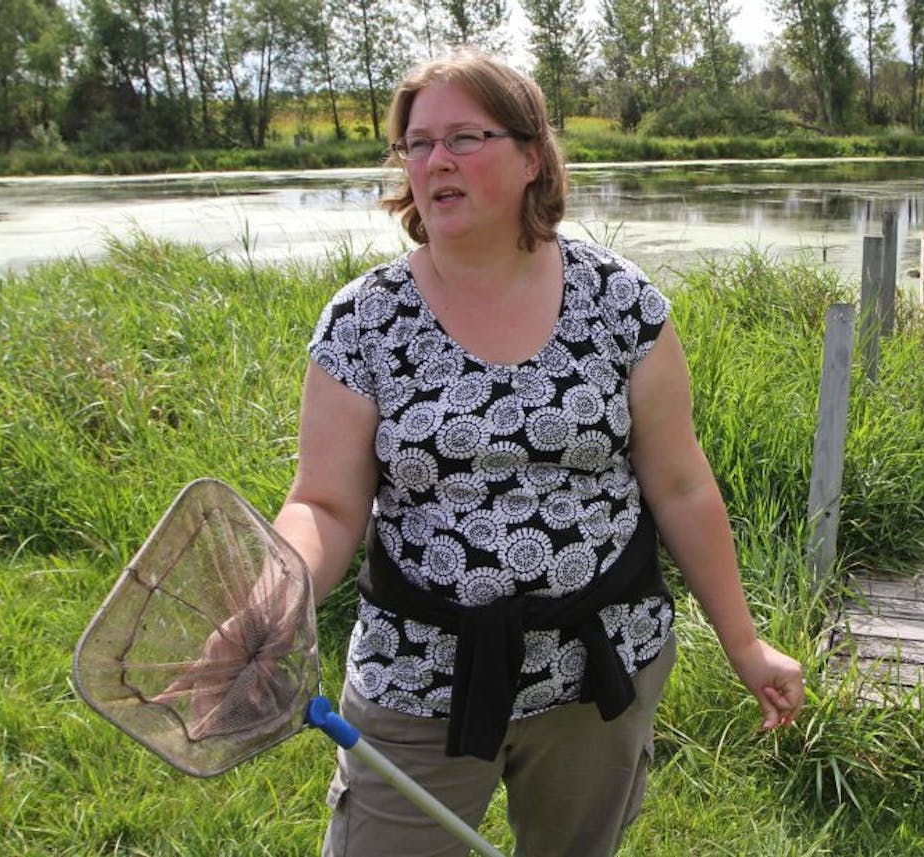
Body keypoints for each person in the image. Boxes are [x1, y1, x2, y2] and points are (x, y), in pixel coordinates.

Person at [268, 49, 804, 856]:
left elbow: (681, 482)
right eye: (417, 143)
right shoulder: (363, 321)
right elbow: (326, 504)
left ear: (531, 157)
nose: (435, 159)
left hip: (598, 669)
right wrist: (271, 602)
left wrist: (744, 642)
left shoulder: (620, 300)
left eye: (464, 137)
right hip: (418, 675)